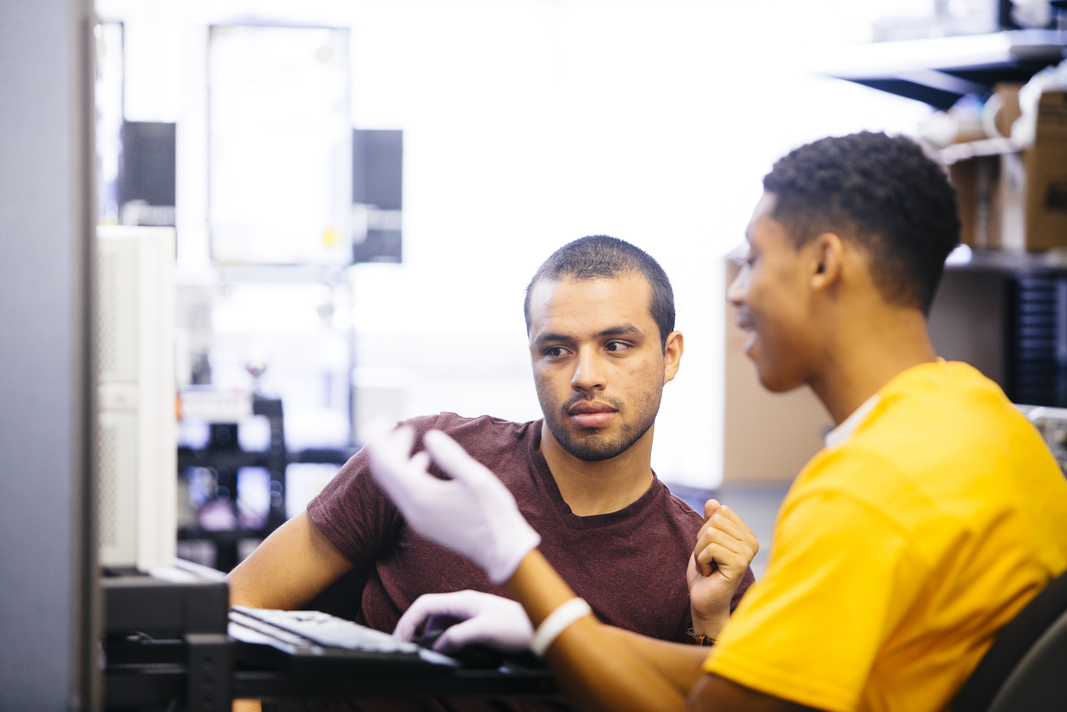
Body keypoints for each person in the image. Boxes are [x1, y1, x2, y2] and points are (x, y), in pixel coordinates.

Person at [367, 131, 1067, 712]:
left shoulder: (867, 492)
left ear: (823, 264)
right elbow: (741, 681)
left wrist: (515, 562)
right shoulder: (988, 426)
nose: (737, 290)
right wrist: (556, 634)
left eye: (756, 258)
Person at [228, 236, 758, 712]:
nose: (585, 376)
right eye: (556, 350)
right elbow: (235, 606)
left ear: (670, 355)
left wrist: (710, 624)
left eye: (616, 346)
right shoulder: (428, 461)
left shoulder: (703, 565)